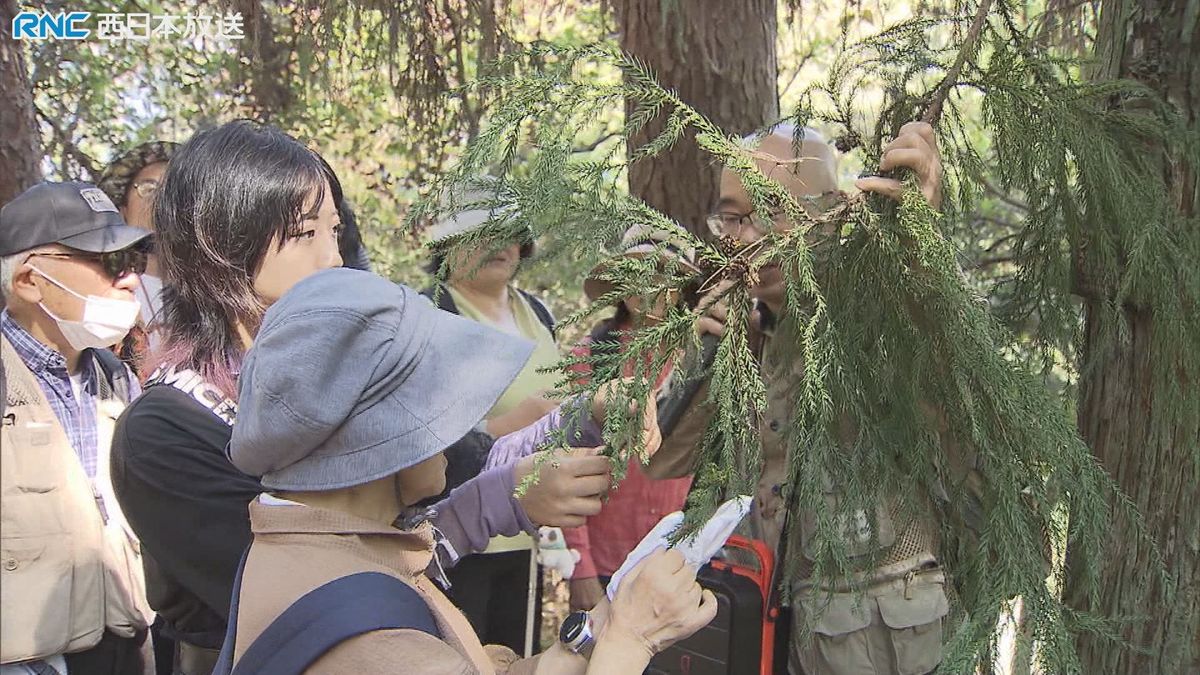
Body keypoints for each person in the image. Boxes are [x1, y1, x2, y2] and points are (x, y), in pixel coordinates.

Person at [109, 121, 627, 675]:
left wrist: (578, 421)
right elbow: (329, 589)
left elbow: (460, 460)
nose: (332, 257)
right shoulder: (163, 430)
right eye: (305, 233)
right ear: (222, 242)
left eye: (335, 231)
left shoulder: (346, 367)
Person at [225, 267, 719, 674]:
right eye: (438, 403)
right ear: (376, 441)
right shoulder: (374, 643)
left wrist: (598, 630)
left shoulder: (326, 543)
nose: (460, 425)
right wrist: (632, 640)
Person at [645, 122, 955, 675]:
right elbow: (659, 458)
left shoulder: (884, 313)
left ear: (830, 210)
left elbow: (958, 376)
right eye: (732, 216)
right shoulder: (748, 330)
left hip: (868, 643)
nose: (744, 234)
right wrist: (707, 352)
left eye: (769, 208)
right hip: (759, 628)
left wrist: (923, 253)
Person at [0, 182, 155, 675]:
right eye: (109, 261)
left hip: (123, 648)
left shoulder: (118, 379)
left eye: (135, 258)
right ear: (29, 280)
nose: (130, 278)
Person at [423, 196, 562, 654]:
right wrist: (506, 426)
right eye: (482, 234)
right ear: (448, 246)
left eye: (509, 235)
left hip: (527, 526)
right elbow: (411, 426)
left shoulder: (538, 313)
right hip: (457, 532)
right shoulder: (429, 315)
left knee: (514, 651)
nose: (499, 245)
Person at [561, 224, 698, 612]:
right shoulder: (592, 356)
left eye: (663, 275)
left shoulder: (699, 354)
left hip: (677, 559)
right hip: (606, 560)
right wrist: (580, 568)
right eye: (638, 275)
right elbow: (567, 460)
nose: (650, 287)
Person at [98, 140, 177, 366]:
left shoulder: (211, 289)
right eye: (149, 189)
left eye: (172, 190)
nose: (161, 200)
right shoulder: (102, 286)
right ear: (123, 211)